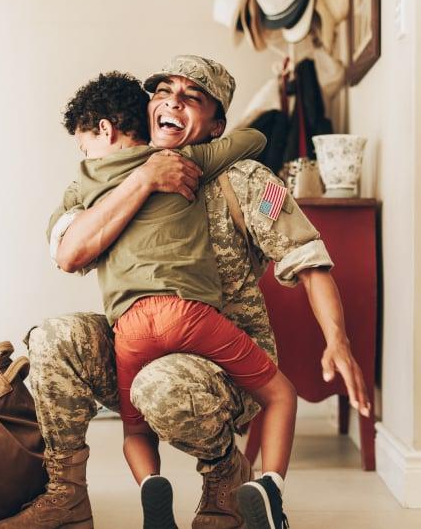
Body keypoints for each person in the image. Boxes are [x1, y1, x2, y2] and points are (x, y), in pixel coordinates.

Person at [0, 55, 371, 529]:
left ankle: (225, 482)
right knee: (51, 337)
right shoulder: (104, 174)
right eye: (164, 92)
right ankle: (65, 496)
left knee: (162, 385)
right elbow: (69, 251)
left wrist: (338, 341)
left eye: (192, 97)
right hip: (135, 338)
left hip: (222, 361)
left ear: (215, 126)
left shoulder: (245, 179)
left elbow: (309, 261)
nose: (173, 102)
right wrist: (143, 179)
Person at [61, 69, 299, 528]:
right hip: (185, 314)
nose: (84, 152)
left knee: (134, 430)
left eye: (83, 141)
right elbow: (253, 139)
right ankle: (268, 487)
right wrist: (206, 142)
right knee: (280, 394)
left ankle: (153, 487)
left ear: (105, 131)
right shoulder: (184, 162)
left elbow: (66, 245)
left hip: (128, 327)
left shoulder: (87, 185)